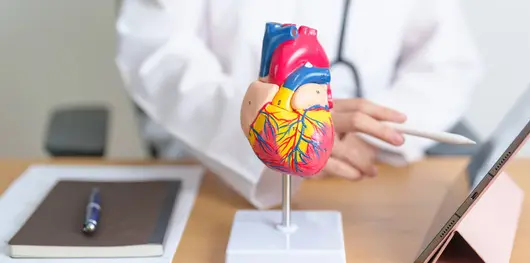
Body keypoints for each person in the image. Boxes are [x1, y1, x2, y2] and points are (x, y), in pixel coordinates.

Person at [115, 0, 483, 209]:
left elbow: (447, 60)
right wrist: (270, 127)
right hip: (224, 169)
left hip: (370, 173)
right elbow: (157, 51)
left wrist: (370, 134)